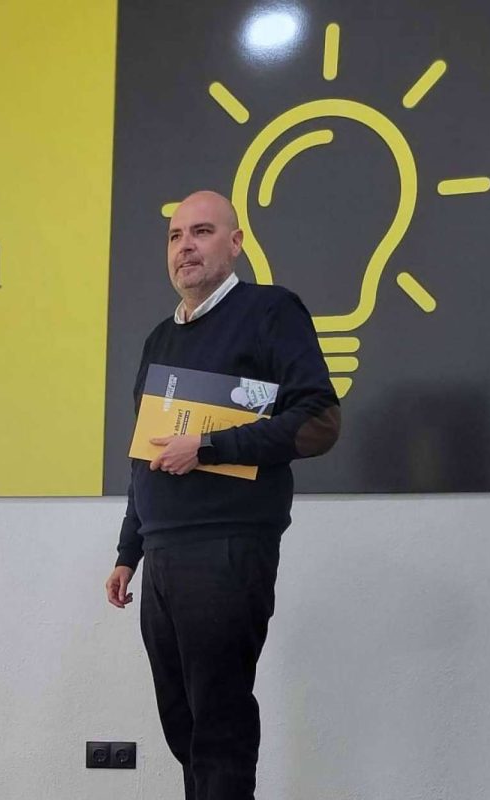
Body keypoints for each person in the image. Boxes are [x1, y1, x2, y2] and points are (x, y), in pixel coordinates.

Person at [104, 191, 341, 800]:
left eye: (201, 232)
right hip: (162, 556)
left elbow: (319, 422)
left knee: (220, 725)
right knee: (183, 726)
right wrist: (129, 551)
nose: (185, 246)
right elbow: (143, 453)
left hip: (228, 548)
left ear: (235, 243)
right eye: (175, 236)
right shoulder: (159, 339)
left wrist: (207, 446)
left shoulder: (270, 312)